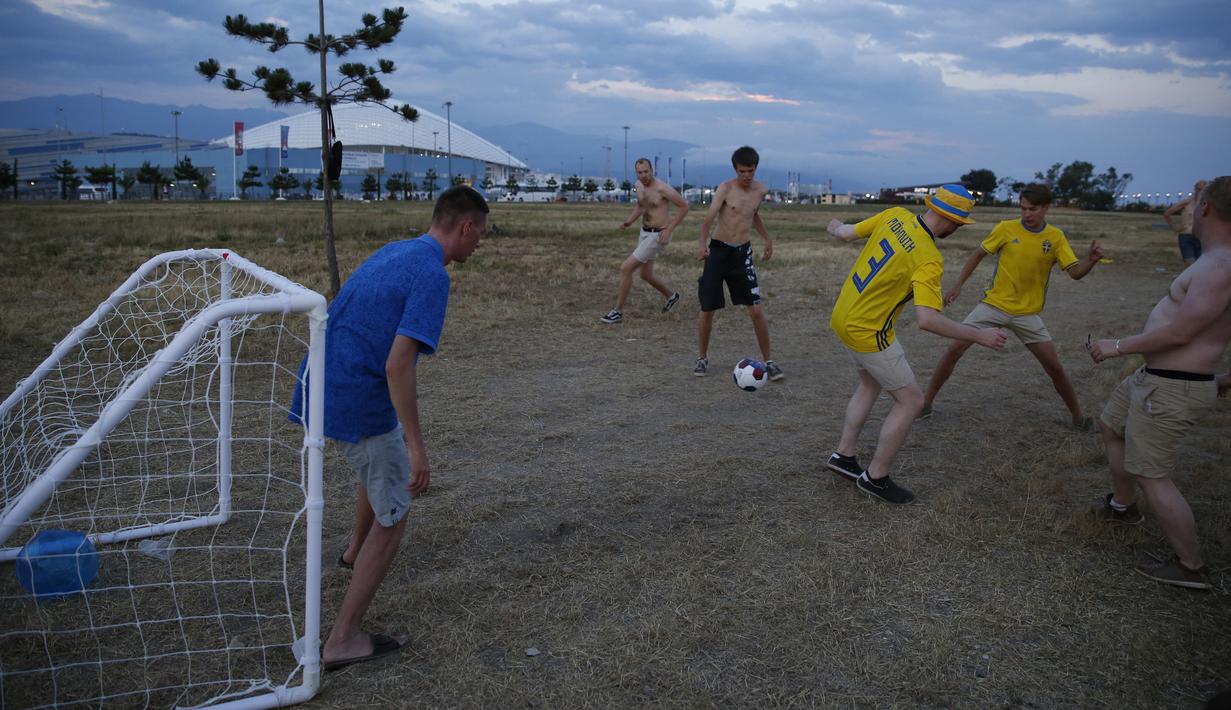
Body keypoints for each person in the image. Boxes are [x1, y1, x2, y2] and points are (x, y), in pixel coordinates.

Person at [290, 185, 489, 669]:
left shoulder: (396, 251)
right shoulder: (431, 276)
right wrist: (419, 452)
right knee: (395, 510)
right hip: (356, 398)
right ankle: (342, 639)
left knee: (379, 466)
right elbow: (399, 366)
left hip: (320, 383)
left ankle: (354, 551)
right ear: (464, 228)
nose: (480, 243)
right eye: (481, 234)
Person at [1086, 176, 1231, 591]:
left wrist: (1116, 346)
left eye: (1197, 200)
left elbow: (1181, 333)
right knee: (1112, 427)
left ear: (1205, 209)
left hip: (1172, 386)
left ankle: (1191, 566)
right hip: (1158, 379)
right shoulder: (1215, 260)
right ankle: (1123, 506)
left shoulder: (1219, 266)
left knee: (1152, 473)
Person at [825, 185, 1008, 504]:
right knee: (911, 401)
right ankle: (876, 477)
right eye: (960, 223)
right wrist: (978, 334)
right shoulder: (929, 258)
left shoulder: (895, 215)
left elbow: (844, 233)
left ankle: (844, 456)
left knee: (870, 383)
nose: (957, 229)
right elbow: (928, 320)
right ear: (951, 219)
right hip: (869, 331)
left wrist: (834, 225)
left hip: (843, 315)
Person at [920, 184, 1104, 429]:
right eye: (1023, 208)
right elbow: (977, 255)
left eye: (1033, 209)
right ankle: (925, 404)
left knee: (1054, 368)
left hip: (1027, 314)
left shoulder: (1056, 238)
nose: (1027, 214)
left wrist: (1090, 261)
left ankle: (1078, 418)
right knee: (954, 350)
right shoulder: (1006, 229)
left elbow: (1075, 273)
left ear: (1047, 208)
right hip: (993, 306)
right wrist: (957, 286)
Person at [693, 146, 782, 380]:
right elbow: (707, 221)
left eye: (750, 171)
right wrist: (702, 245)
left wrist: (767, 238)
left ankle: (769, 362)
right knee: (708, 308)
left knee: (756, 309)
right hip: (719, 252)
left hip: (742, 254)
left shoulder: (761, 190)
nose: (746, 175)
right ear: (735, 169)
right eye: (742, 171)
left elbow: (752, 214)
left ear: (756, 168)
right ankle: (702, 358)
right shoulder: (725, 189)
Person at [600, 158, 688, 323]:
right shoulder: (638, 185)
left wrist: (669, 230)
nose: (643, 175)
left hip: (658, 235)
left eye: (646, 171)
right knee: (645, 274)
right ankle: (672, 296)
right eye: (640, 172)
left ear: (652, 170)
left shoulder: (662, 188)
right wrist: (629, 221)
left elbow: (684, 206)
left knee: (626, 269)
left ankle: (617, 311)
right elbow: (641, 206)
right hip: (645, 232)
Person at [1164, 180, 1210, 265]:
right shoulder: (1187, 203)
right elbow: (1167, 213)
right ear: (1195, 189)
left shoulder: (1208, 206)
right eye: (1199, 189)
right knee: (1190, 263)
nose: (1201, 192)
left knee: (1202, 265)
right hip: (1186, 236)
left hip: (1201, 238)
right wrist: (1174, 226)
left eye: (1204, 190)